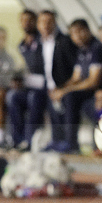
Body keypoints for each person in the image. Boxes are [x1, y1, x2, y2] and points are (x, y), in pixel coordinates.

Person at [49, 19, 102, 153]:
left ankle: (71, 143)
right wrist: (59, 90)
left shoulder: (96, 48)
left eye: (79, 32)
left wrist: (66, 91)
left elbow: (94, 81)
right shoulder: (82, 51)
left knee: (70, 97)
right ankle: (58, 140)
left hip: (97, 91)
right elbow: (76, 77)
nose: (76, 37)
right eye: (73, 34)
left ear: (86, 31)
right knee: (54, 96)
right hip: (85, 91)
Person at [36, 10, 77, 152]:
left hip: (63, 86)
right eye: (42, 22)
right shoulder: (39, 43)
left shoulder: (64, 41)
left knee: (67, 103)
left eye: (49, 22)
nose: (46, 25)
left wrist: (64, 87)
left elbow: (74, 68)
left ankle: (69, 143)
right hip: (47, 85)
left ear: (54, 23)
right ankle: (55, 141)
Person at [7, 9, 44, 151]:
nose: (26, 23)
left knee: (33, 98)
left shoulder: (42, 41)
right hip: (29, 85)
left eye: (29, 20)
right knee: (12, 96)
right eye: (23, 20)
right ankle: (17, 139)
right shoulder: (21, 45)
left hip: (43, 87)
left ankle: (30, 140)